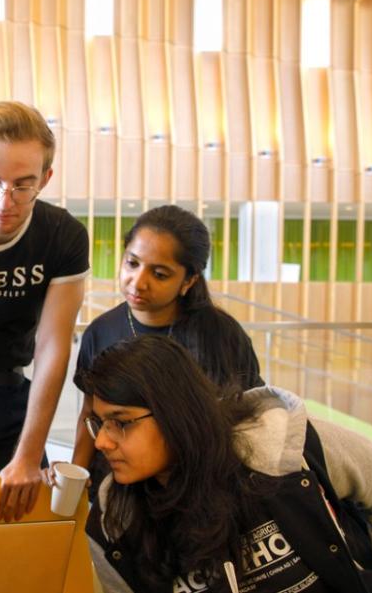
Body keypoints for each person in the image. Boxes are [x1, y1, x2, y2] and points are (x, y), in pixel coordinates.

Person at [74, 334, 372, 593]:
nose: (103, 442)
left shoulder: (281, 446)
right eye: (98, 422)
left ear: (176, 414)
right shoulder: (113, 526)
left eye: (120, 423)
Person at [0, 101, 90, 522]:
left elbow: (53, 346)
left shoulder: (62, 235)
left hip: (13, 396)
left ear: (46, 178)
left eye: (24, 185)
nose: (5, 201)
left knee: (18, 521)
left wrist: (27, 457)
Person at [69, 205, 264, 501]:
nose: (138, 281)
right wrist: (76, 482)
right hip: (115, 487)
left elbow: (248, 418)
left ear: (188, 281)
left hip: (196, 493)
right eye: (132, 263)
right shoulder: (100, 331)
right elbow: (89, 413)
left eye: (159, 274)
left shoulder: (222, 337)